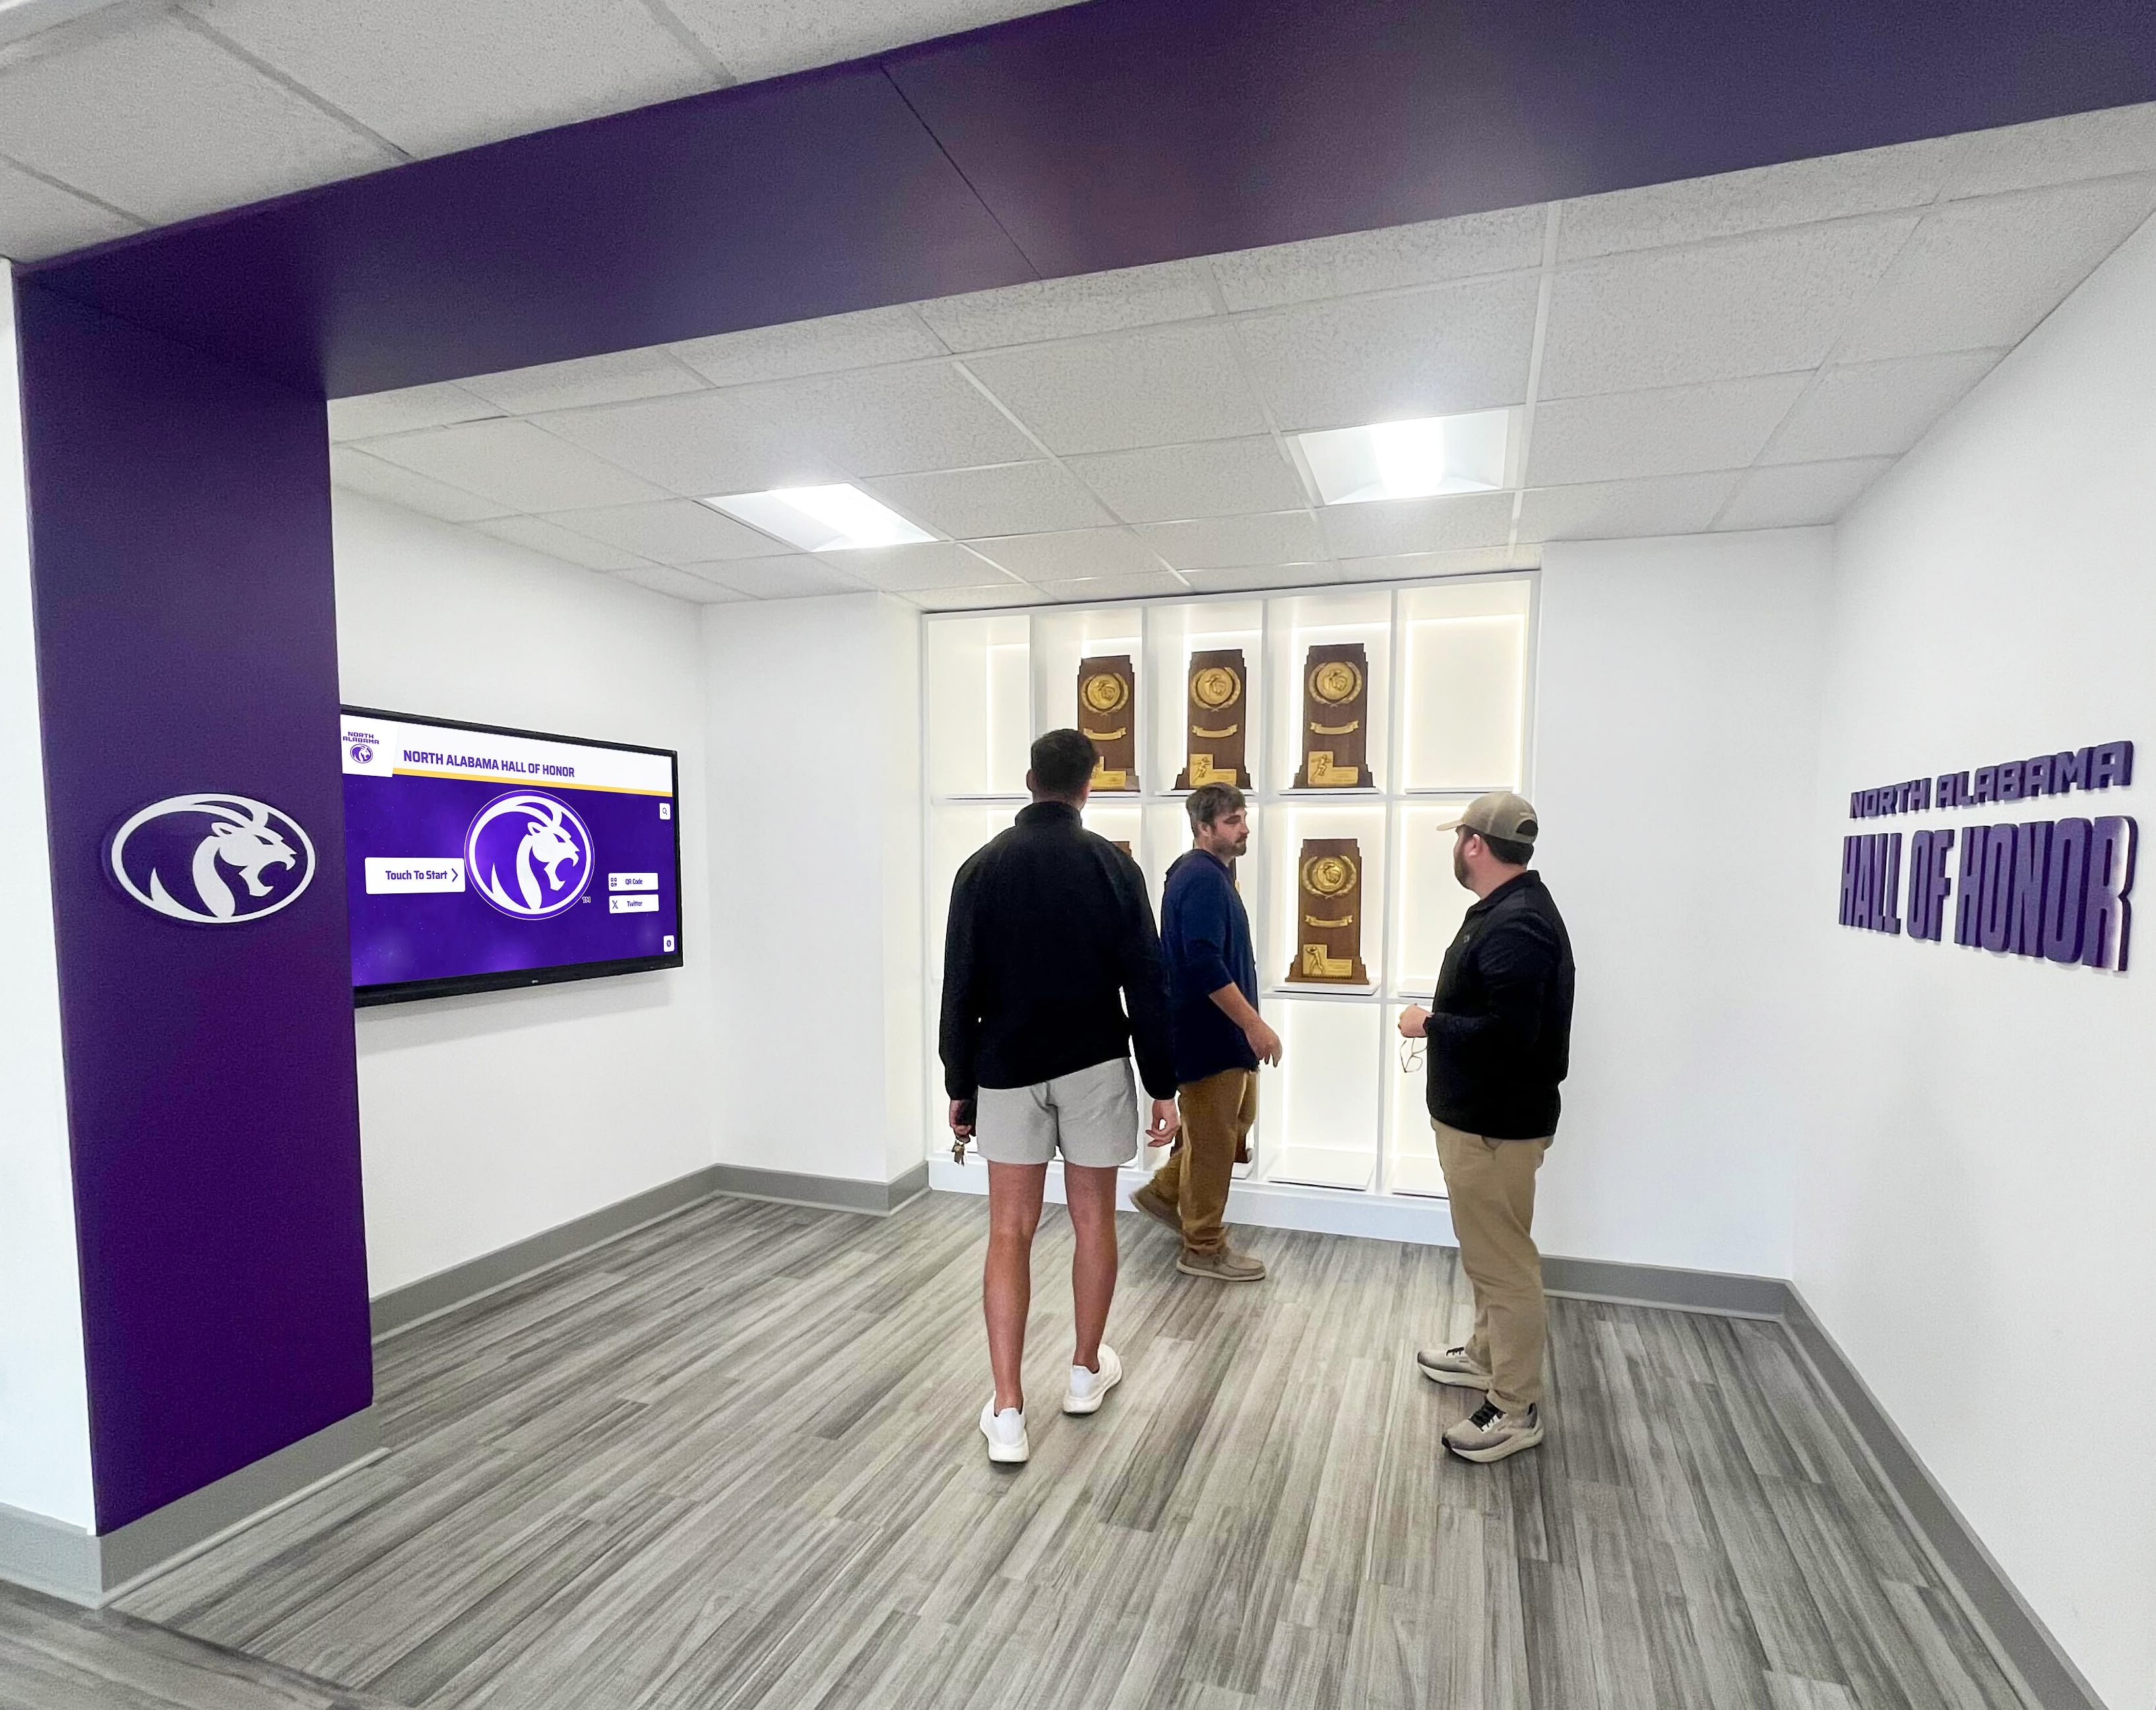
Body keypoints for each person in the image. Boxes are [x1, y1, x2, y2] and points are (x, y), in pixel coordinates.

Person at [941, 728, 1179, 1466]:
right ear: (1089, 784)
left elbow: (959, 989)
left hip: (1005, 1067)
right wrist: (1162, 1083)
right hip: (1095, 1064)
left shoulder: (979, 870)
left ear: (1028, 779)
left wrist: (960, 1084)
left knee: (1007, 1231)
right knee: (1092, 1219)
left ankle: (1008, 1410)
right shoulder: (1113, 866)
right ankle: (1082, 1373)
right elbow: (1146, 980)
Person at [1397, 791, 1575, 1464]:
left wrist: (1428, 1024)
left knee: (1504, 1266)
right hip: (1490, 1122)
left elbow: (1511, 1037)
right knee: (1494, 1254)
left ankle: (1514, 1406)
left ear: (1474, 843)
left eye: (1459, 837)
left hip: (1495, 1127)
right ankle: (1484, 1355)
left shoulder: (1516, 926)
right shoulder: (1513, 910)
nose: (1456, 847)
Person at [1131, 782, 1278, 1281]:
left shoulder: (1210, 875)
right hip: (1209, 1037)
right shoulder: (1201, 879)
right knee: (1215, 1143)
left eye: (1243, 818)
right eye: (1233, 820)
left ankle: (1167, 1192)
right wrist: (1255, 1026)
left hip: (1222, 1039)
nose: (1245, 829)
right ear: (1203, 827)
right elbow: (1203, 964)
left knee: (1229, 1128)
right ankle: (1202, 1247)